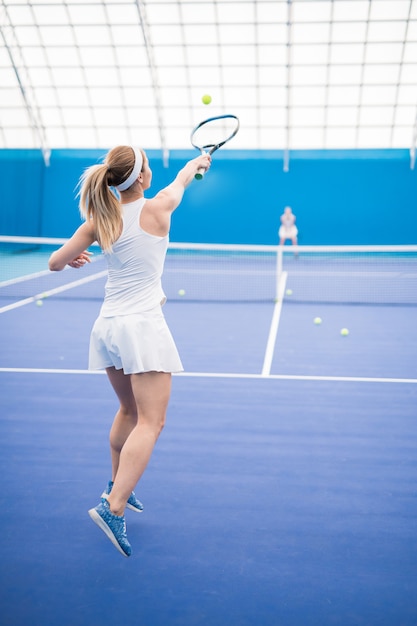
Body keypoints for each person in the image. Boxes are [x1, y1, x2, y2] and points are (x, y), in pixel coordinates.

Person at [48, 146, 211, 557]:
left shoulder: (98, 221)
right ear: (140, 178)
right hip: (142, 328)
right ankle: (113, 505)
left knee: (129, 412)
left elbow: (53, 263)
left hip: (107, 328)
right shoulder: (158, 208)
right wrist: (196, 164)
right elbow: (182, 182)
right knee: (151, 423)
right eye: (148, 166)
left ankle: (116, 481)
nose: (153, 172)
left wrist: (73, 261)